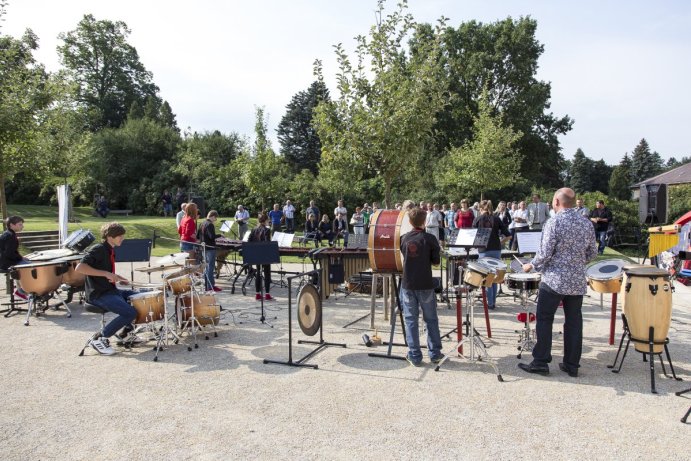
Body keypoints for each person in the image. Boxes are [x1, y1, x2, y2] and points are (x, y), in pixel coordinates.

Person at [517, 188, 597, 378]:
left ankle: (541, 362)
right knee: (574, 322)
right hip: (576, 280)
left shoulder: (554, 221)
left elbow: (544, 253)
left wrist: (532, 265)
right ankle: (572, 364)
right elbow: (592, 253)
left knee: (544, 319)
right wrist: (576, 262)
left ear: (556, 202)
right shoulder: (586, 223)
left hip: (554, 279)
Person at [75, 222, 139, 355]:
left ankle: (125, 333)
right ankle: (100, 338)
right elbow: (80, 268)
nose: (122, 238)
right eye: (119, 236)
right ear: (110, 236)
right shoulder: (98, 249)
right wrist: (106, 274)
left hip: (110, 290)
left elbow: (105, 270)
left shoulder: (109, 249)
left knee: (138, 297)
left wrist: (117, 277)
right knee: (129, 312)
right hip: (98, 294)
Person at [399, 207, 443, 366]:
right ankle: (435, 354)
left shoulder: (403, 238)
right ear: (424, 221)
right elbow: (436, 262)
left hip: (408, 283)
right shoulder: (430, 239)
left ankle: (415, 355)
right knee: (431, 319)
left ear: (409, 222)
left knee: (411, 320)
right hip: (425, 283)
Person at [473, 200, 510, 309]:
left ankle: (489, 303)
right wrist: (500, 242)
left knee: (486, 278)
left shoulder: (477, 219)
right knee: (493, 277)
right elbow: (508, 236)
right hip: (496, 250)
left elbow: (473, 236)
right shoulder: (496, 218)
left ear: (480, 209)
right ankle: (492, 302)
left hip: (483, 250)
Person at [0, 216, 29, 300]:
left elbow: (11, 252)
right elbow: (9, 253)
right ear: (12, 225)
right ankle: (23, 291)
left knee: (27, 264)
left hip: (5, 261)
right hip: (6, 263)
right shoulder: (10, 236)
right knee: (31, 267)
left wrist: (21, 258)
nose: (22, 226)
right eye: (20, 224)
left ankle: (21, 290)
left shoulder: (8, 233)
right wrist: (21, 259)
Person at [248, 214, 273, 300]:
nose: (268, 221)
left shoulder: (254, 229)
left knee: (258, 272)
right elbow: (267, 243)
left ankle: (257, 294)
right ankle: (267, 294)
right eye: (268, 220)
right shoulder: (267, 230)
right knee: (267, 273)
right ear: (264, 220)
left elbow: (249, 241)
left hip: (256, 254)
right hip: (265, 254)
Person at [199, 210, 222, 292]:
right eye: (215, 219)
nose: (215, 221)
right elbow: (212, 236)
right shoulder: (210, 224)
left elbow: (199, 236)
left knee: (206, 267)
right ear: (213, 216)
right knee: (210, 267)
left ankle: (206, 284)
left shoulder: (202, 223)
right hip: (210, 248)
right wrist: (220, 235)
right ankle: (210, 286)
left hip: (203, 247)